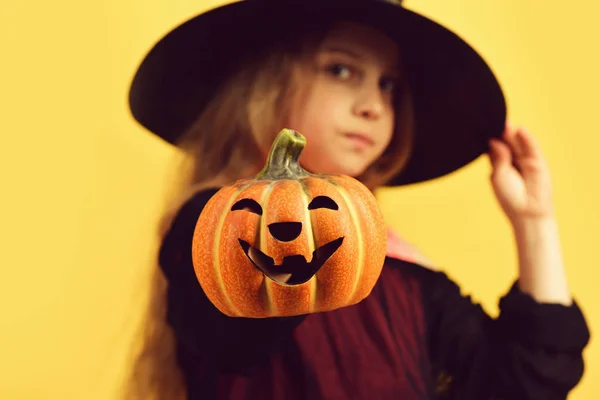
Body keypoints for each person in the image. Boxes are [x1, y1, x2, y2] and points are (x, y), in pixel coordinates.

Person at [124, 0, 590, 399]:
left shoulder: (399, 271)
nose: (373, 105)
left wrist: (535, 225)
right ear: (265, 86)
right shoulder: (215, 227)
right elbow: (230, 336)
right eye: (341, 70)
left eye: (388, 84)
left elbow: (518, 385)